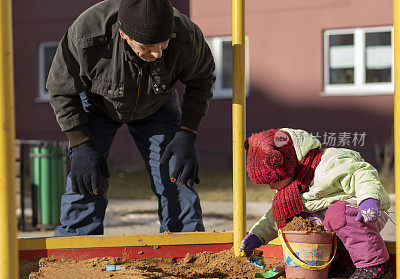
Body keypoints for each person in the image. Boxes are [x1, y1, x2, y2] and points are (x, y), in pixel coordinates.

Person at [46, 0, 215, 236]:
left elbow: (202, 80)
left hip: (157, 106)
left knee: (176, 174)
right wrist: (81, 144)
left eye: (164, 42)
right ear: (124, 33)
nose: (158, 53)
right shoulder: (88, 32)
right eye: (148, 46)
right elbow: (61, 89)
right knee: (86, 178)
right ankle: (76, 246)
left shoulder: (186, 34)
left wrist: (187, 132)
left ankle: (185, 242)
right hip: (98, 104)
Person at [239, 128, 394, 279]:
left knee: (338, 213)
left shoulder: (329, 164)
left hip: (364, 212)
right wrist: (257, 235)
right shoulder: (291, 188)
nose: (271, 186)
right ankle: (330, 264)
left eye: (273, 180)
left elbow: (362, 175)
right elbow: (275, 215)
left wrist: (368, 199)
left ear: (287, 167)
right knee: (297, 220)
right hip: (331, 220)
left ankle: (374, 265)